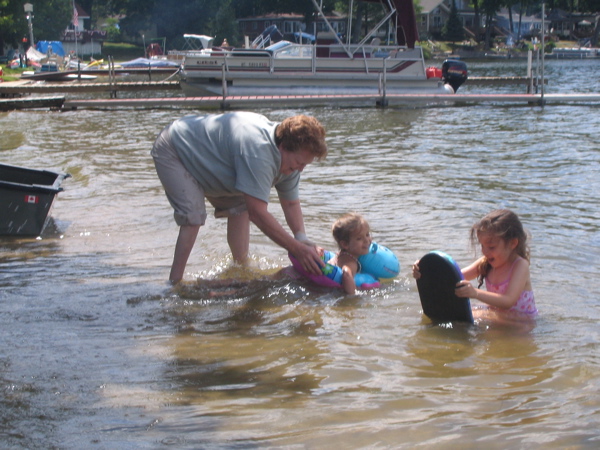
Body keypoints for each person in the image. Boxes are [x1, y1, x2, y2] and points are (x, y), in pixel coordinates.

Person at [152, 112, 327, 284]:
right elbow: (257, 213)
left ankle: (241, 268)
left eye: (305, 164)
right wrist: (297, 250)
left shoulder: (291, 162)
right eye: (299, 163)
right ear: (283, 147)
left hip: (215, 159)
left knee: (241, 206)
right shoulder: (258, 152)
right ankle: (174, 284)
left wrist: (301, 238)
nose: (301, 169)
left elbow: (290, 203)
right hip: (176, 148)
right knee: (193, 218)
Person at [413, 209, 537, 317]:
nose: (485, 252)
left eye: (491, 247)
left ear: (512, 244)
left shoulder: (520, 265)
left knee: (476, 316)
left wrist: (475, 293)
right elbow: (453, 277)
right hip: (499, 316)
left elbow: (508, 301)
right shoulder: (486, 263)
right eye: (482, 246)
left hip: (521, 323)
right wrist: (424, 270)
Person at [327, 213, 373, 295]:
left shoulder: (342, 254)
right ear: (345, 244)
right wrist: (353, 295)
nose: (367, 240)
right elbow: (346, 274)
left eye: (367, 234)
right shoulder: (351, 262)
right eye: (359, 238)